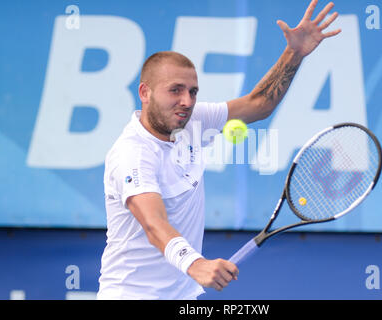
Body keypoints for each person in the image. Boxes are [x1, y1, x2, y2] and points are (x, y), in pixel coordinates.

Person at [97, 0, 341, 300]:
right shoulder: (131, 154)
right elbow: (153, 222)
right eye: (175, 90)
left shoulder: (191, 121)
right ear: (145, 93)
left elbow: (258, 104)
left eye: (193, 91)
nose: (187, 101)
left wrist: (295, 53)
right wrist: (195, 263)